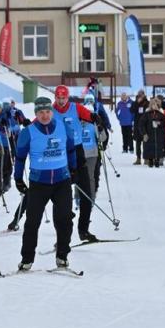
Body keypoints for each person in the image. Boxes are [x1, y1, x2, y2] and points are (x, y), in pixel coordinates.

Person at [13, 96, 78, 272]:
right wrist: (18, 178)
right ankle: (27, 259)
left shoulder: (64, 127)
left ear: (52, 111)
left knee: (65, 219)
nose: (45, 115)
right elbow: (19, 158)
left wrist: (74, 169)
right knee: (32, 222)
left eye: (48, 111)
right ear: (36, 113)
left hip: (61, 182)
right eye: (41, 112)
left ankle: (62, 256)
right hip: (38, 184)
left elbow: (71, 149)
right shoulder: (28, 132)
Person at [52, 85, 98, 241]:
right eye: (58, 98)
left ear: (67, 97)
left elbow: (89, 115)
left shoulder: (76, 108)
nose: (61, 101)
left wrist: (95, 118)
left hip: (78, 152)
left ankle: (83, 230)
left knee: (86, 193)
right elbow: (37, 124)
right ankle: (62, 236)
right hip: (60, 154)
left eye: (63, 98)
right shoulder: (50, 111)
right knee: (62, 197)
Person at [139, 98, 165, 168]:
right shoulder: (146, 114)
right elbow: (141, 124)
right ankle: (150, 160)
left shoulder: (160, 114)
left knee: (158, 147)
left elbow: (164, 123)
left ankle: (157, 160)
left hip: (158, 134)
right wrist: (144, 133)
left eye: (155, 105)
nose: (154, 106)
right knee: (149, 147)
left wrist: (159, 123)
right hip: (149, 134)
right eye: (152, 105)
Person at [131, 90, 150, 164]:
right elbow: (132, 110)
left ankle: (146, 158)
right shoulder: (135, 102)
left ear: (144, 95)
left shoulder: (147, 102)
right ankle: (138, 158)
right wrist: (137, 102)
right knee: (138, 143)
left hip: (145, 125)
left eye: (141, 94)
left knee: (145, 142)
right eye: (139, 94)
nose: (140, 96)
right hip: (137, 125)